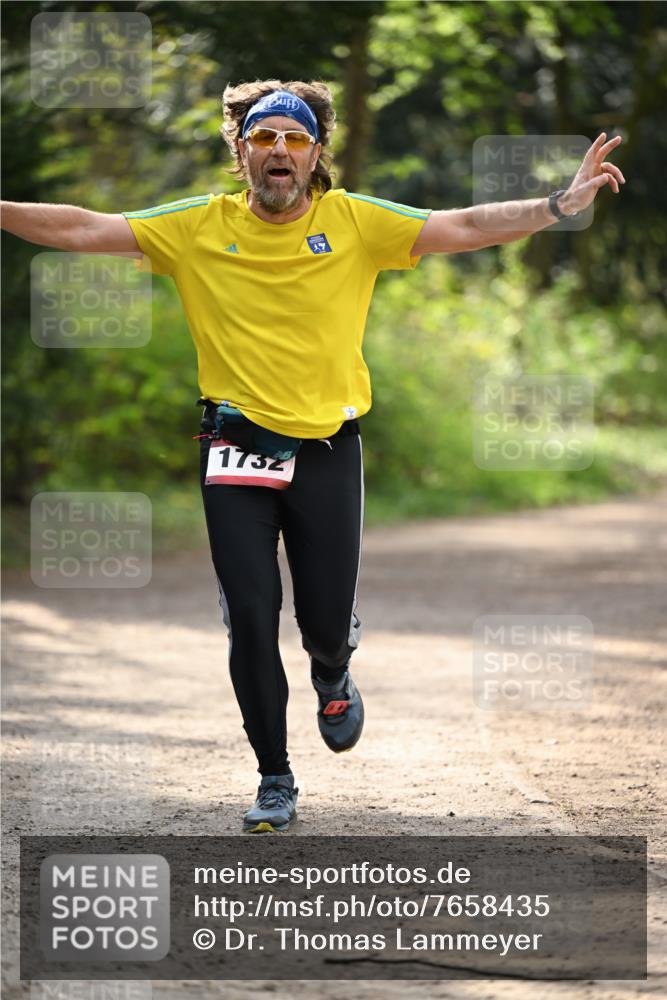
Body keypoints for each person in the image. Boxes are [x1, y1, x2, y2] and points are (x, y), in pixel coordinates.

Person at [1, 79, 625, 833]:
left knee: (321, 622)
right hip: (234, 445)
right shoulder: (196, 226)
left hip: (328, 448)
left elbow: (462, 225)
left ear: (315, 152)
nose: (279, 151)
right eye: (264, 138)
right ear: (241, 151)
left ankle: (333, 668)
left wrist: (557, 205)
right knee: (251, 616)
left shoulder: (355, 221)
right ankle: (274, 776)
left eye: (294, 139)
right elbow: (81, 228)